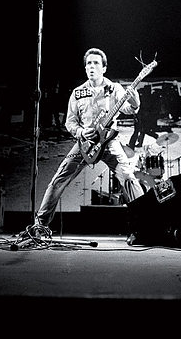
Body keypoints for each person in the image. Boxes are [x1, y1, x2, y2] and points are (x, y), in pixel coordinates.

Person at [25, 47, 146, 239]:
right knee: (58, 179)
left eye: (96, 63)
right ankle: (40, 226)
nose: (92, 66)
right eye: (88, 63)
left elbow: (130, 110)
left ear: (104, 68)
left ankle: (145, 226)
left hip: (110, 143)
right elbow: (70, 122)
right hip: (85, 144)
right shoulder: (78, 92)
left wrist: (135, 101)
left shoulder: (114, 89)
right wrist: (81, 131)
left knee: (129, 178)